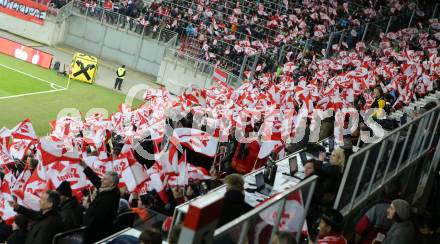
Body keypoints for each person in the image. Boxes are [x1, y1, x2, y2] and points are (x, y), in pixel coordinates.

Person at [80, 160, 121, 243]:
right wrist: (85, 166)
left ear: (111, 183)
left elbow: (97, 219)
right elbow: (96, 180)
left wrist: (85, 230)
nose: (101, 180)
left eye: (104, 179)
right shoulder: (111, 189)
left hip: (96, 235)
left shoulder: (108, 199)